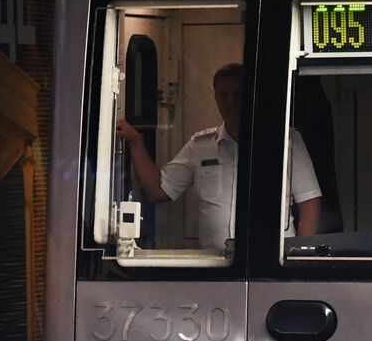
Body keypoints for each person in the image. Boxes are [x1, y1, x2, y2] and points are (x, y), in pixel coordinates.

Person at [114, 63, 321, 252]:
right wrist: (135, 142)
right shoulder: (201, 146)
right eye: (224, 95)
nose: (231, 102)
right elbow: (158, 190)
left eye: (238, 94)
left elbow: (310, 205)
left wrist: (297, 259)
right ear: (216, 100)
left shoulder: (287, 141)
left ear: (252, 96)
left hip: (269, 263)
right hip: (217, 268)